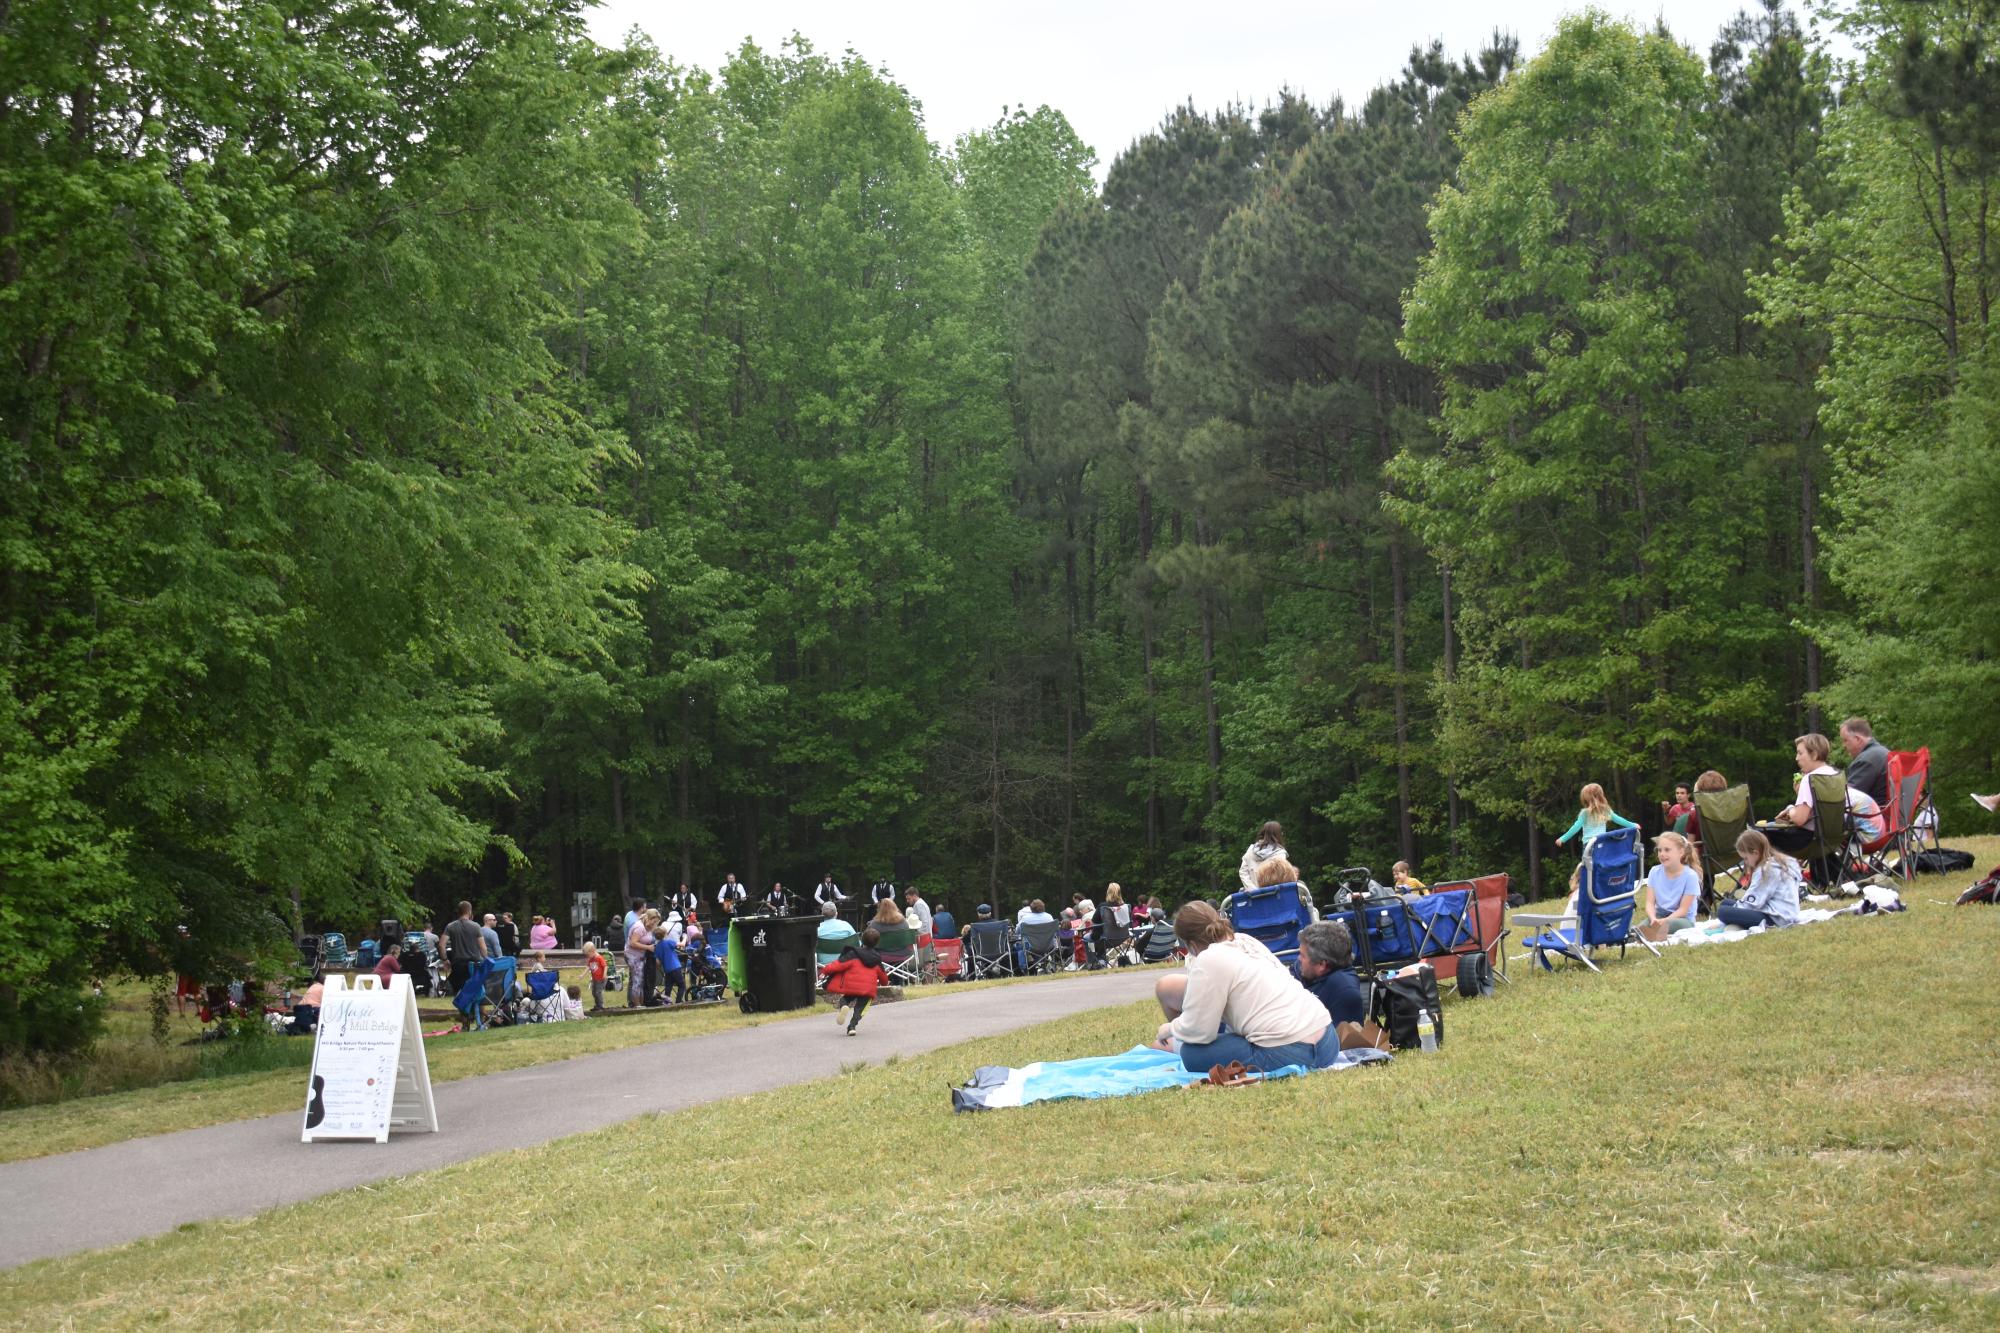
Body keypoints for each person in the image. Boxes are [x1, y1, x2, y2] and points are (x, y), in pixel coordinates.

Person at [1149, 903, 1343, 1074]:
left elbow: (1200, 1032)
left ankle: (1173, 1048)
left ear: (1191, 945)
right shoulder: (1245, 940)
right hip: (1327, 1040)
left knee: (1191, 1054)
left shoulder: (1208, 958)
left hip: (1290, 1050)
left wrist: (1169, 1028)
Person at [1716, 829, 1801, 930]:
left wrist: (1733, 913)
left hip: (1777, 918)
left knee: (1723, 912)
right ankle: (1737, 923)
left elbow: (1753, 901)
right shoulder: (1781, 861)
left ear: (1755, 853)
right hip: (1786, 912)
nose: (1746, 862)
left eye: (1746, 858)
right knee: (1726, 903)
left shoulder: (1766, 870)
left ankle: (1736, 925)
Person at [1292, 920, 1365, 1025]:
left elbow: (1344, 1039)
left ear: (1322, 965)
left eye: (1303, 955)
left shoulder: (1344, 993)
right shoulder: (1308, 968)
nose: (1299, 959)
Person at [820, 928, 886, 1036]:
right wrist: (884, 982)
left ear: (862, 940)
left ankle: (844, 1006)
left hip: (851, 986)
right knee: (860, 1009)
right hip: (867, 990)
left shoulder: (853, 954)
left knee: (845, 999)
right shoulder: (877, 959)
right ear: (876, 943)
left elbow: (837, 965)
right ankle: (852, 1026)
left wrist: (825, 971)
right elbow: (884, 979)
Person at [1644, 831, 1702, 933]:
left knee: (1659, 928)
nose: (1662, 854)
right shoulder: (1654, 871)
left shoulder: (1690, 876)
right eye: (1659, 850)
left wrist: (1665, 921)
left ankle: (1653, 933)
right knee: (1639, 929)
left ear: (1681, 852)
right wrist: (1653, 918)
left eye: (1667, 850)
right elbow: (1649, 903)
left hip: (1682, 920)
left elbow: (1683, 910)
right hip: (1659, 916)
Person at [1554, 784, 1639, 851]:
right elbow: (1619, 820)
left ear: (1586, 799)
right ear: (1601, 795)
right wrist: (1633, 825)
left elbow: (1575, 828)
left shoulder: (1585, 813)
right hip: (1602, 844)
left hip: (1589, 846)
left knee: (1589, 870)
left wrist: (1562, 839)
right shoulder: (1605, 810)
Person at [1839, 718, 1891, 806]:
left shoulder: (1866, 760)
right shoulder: (1884, 752)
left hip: (1871, 817)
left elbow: (1848, 797)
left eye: (1845, 740)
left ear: (1857, 739)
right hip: (1889, 815)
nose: (1843, 745)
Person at [443, 901, 487, 998]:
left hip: (458, 963)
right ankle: (475, 1010)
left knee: (460, 989)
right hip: (474, 963)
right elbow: (483, 947)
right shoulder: (476, 926)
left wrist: (445, 959)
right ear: (469, 912)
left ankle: (463, 1010)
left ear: (458, 912)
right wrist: (486, 959)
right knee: (475, 989)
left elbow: (441, 945)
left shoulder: (450, 926)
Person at [1239, 821, 1287, 891]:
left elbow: (1243, 872)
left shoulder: (1250, 851)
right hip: (1274, 895)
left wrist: (1253, 890)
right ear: (1278, 834)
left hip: (1253, 898)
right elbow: (1281, 877)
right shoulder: (1280, 854)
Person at [1686, 770, 1729, 843]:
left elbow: (1690, 845)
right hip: (1735, 852)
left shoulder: (1695, 814)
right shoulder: (1734, 809)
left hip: (1704, 853)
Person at [651, 916, 685, 1004]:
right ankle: (678, 1002)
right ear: (665, 934)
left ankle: (667, 1002)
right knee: (682, 986)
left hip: (667, 970)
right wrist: (685, 937)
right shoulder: (669, 942)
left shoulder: (657, 947)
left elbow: (658, 962)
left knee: (668, 987)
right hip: (676, 967)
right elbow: (681, 945)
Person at [624, 910, 653, 1008]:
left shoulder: (646, 927)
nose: (655, 924)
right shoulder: (639, 928)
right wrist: (648, 948)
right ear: (649, 919)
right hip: (633, 956)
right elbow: (633, 943)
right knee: (637, 980)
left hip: (640, 956)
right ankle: (636, 1004)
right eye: (654, 921)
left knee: (639, 979)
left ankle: (640, 1002)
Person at [582, 941, 607, 1012]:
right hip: (595, 979)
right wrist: (582, 975)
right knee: (594, 992)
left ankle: (600, 1006)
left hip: (601, 979)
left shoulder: (599, 958)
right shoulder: (591, 959)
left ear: (592, 951)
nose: (587, 956)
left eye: (588, 955)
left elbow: (605, 966)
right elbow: (588, 967)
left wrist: (604, 975)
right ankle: (597, 1005)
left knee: (598, 992)